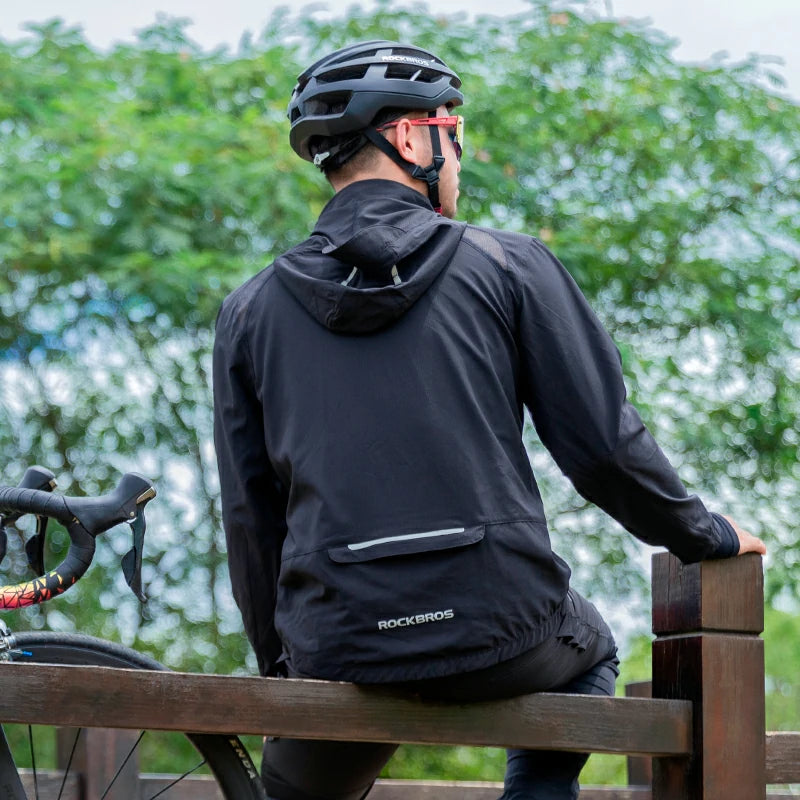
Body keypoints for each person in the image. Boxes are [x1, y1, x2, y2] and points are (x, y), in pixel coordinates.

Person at [212, 40, 766, 800]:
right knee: (592, 647)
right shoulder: (509, 266)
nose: (461, 163)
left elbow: (251, 516)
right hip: (500, 631)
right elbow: (603, 449)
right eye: (457, 139)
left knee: (295, 791)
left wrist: (286, 672)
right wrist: (706, 532)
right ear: (412, 138)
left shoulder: (247, 312)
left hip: (339, 643)